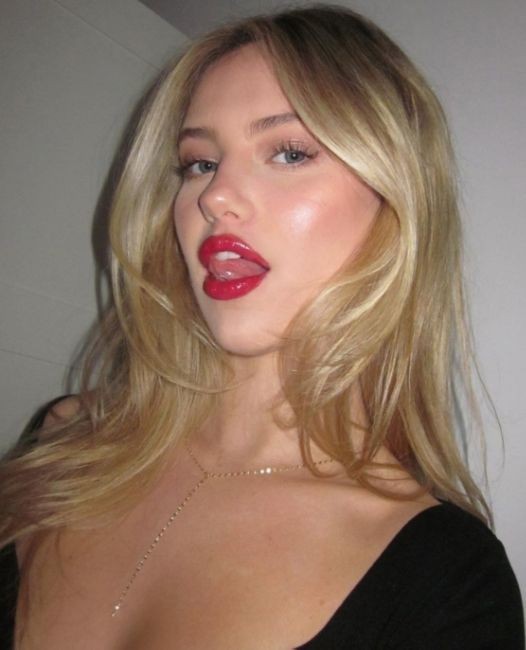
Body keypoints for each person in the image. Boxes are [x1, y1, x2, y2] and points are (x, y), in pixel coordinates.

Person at [0, 4, 523, 648]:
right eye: (199, 163)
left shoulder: (445, 580)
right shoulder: (62, 443)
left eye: (290, 152)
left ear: (398, 203)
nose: (215, 196)